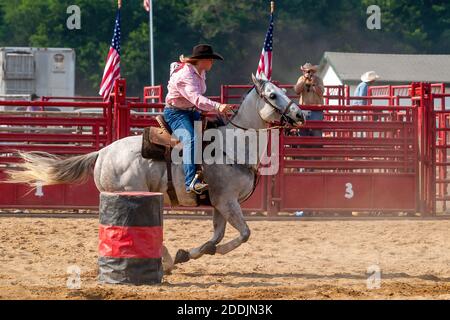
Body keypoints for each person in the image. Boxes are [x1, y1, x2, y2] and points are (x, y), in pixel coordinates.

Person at [164, 44, 233, 194]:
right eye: (210, 59)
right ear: (201, 60)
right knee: (191, 139)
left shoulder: (199, 71)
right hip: (176, 113)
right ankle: (191, 182)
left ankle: (215, 173)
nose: (212, 63)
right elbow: (196, 98)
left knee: (217, 132)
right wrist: (217, 106)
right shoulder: (185, 75)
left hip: (191, 111)